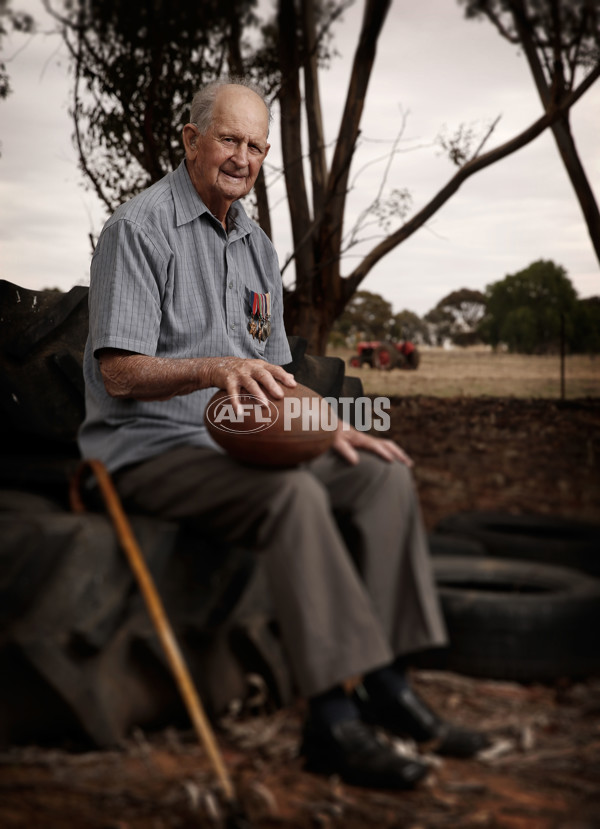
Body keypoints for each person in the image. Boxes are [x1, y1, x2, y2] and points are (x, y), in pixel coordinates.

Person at [79, 77, 489, 789]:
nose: (243, 157)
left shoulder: (258, 247)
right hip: (147, 447)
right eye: (230, 140)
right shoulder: (136, 229)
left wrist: (331, 424)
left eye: (256, 147)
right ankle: (331, 720)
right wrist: (213, 366)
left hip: (233, 441)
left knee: (380, 473)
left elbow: (273, 374)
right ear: (191, 140)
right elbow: (118, 373)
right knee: (294, 497)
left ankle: (388, 681)